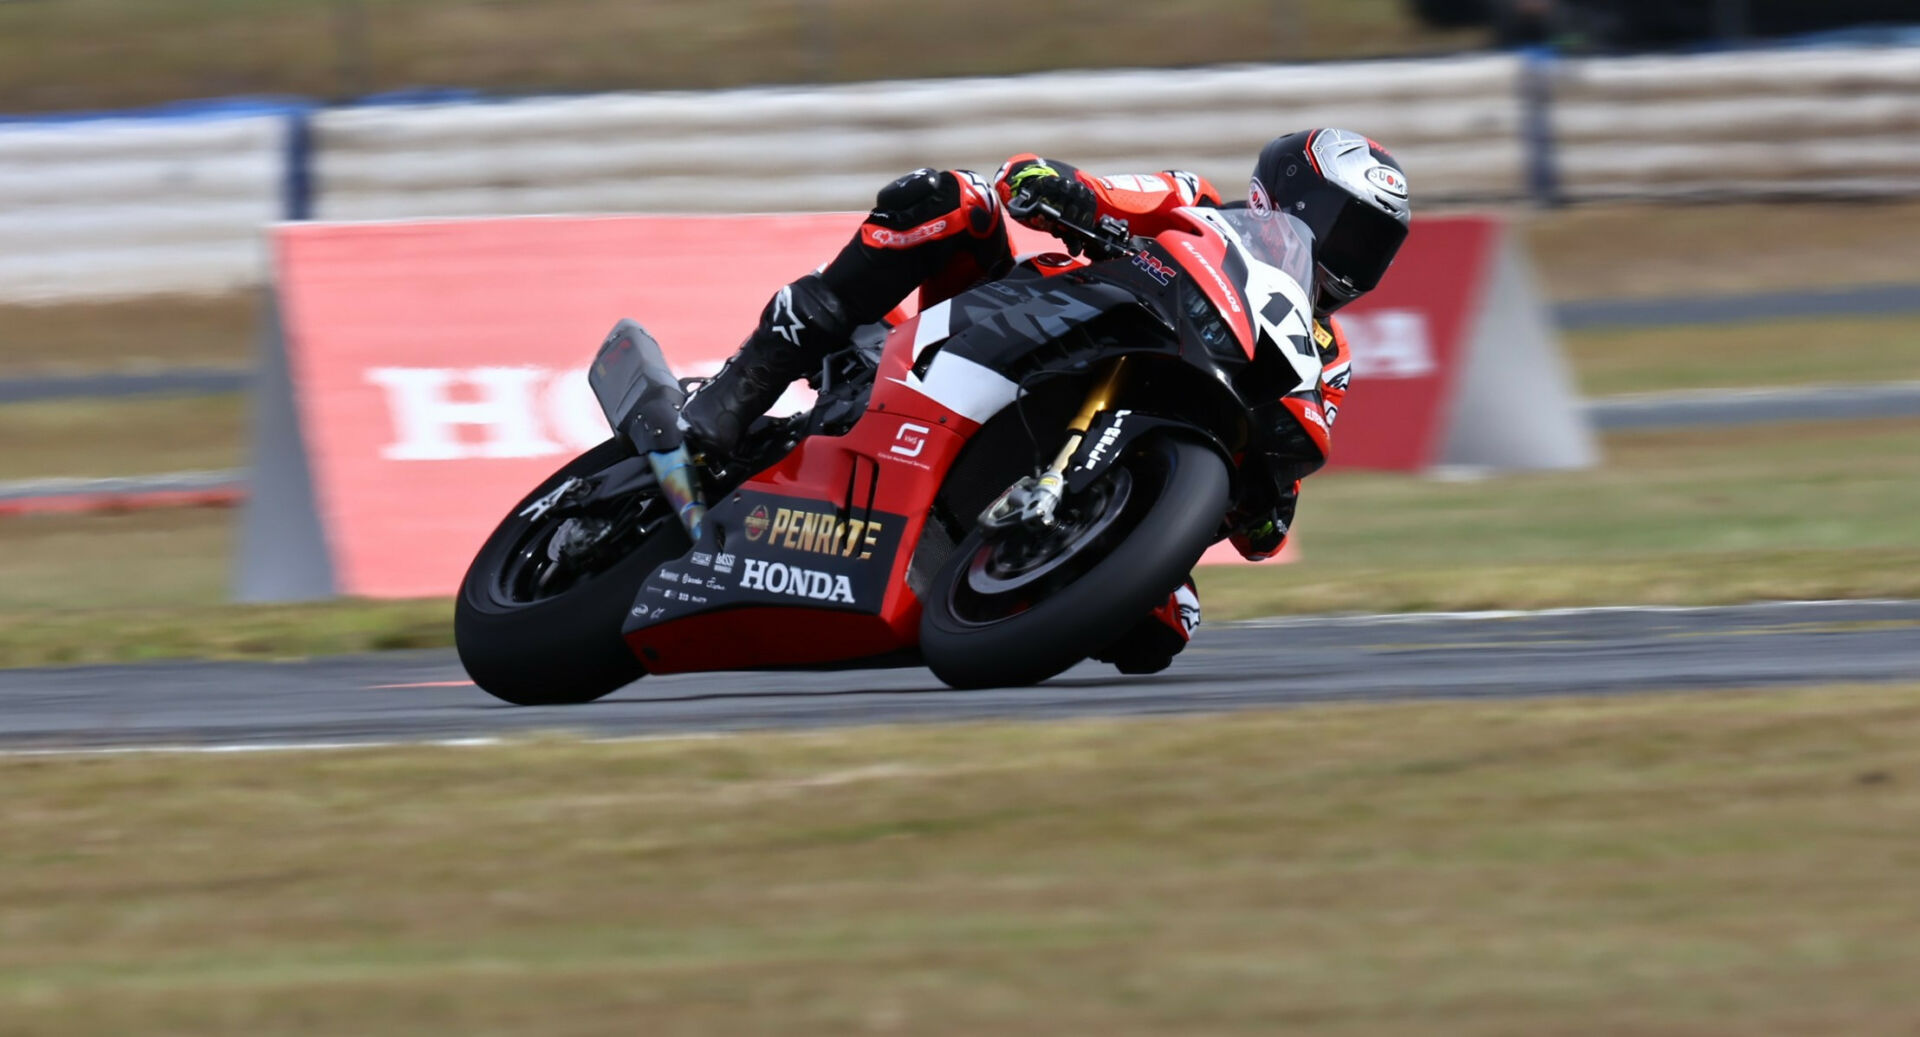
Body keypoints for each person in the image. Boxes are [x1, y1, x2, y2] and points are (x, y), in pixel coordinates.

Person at [680, 128, 1411, 673]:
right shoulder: (1194, 206)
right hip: (1020, 325)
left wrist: (1270, 493)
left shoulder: (1329, 357)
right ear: (1286, 198)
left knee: (1166, 628)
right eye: (1349, 228)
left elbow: (1275, 499)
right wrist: (1057, 186)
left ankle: (992, 586)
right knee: (945, 200)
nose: (1355, 257)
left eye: (1374, 245)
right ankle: (738, 391)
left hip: (1141, 423)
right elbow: (1097, 191)